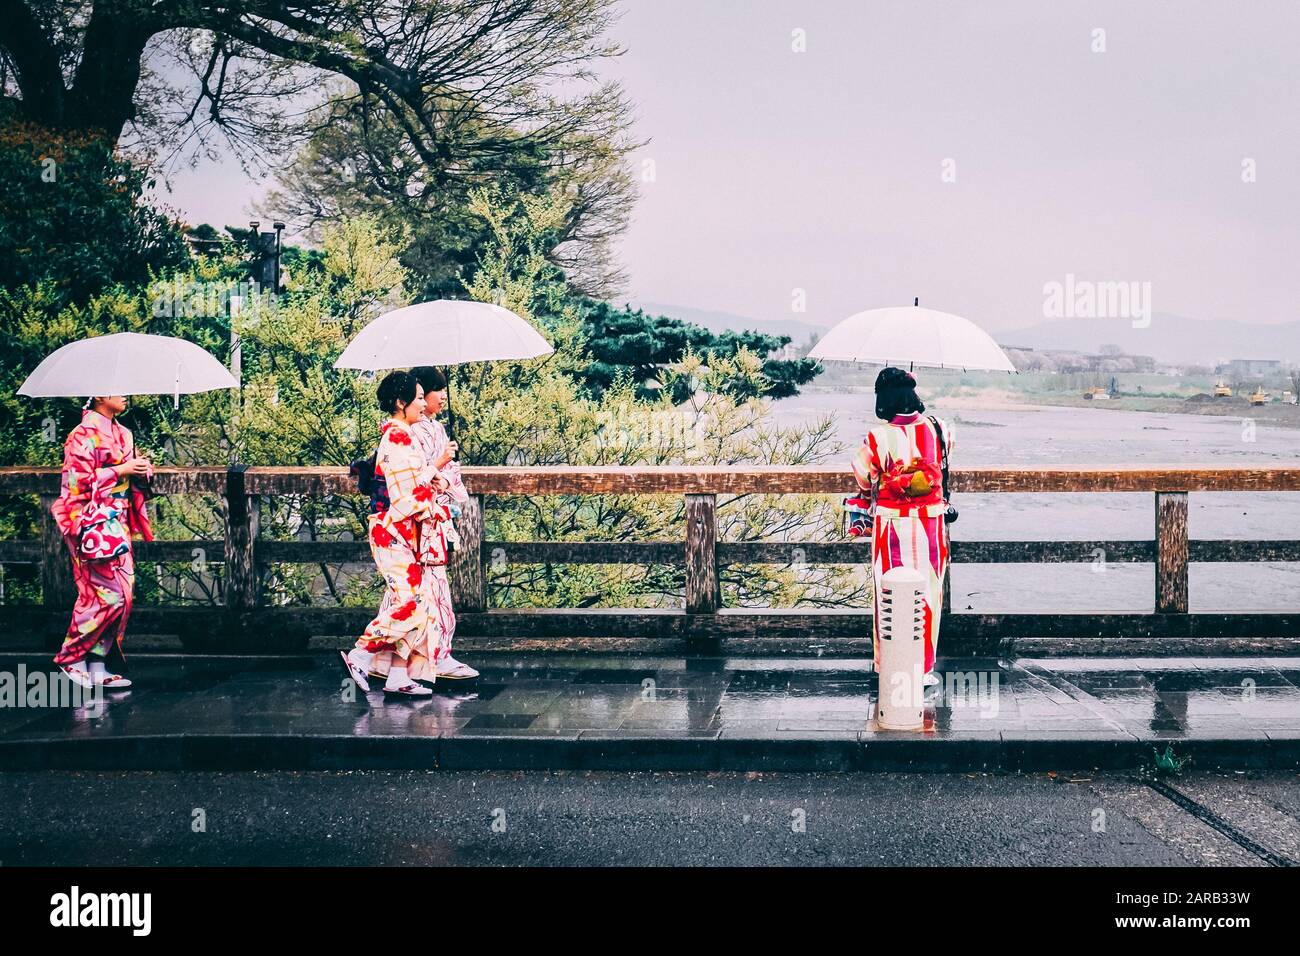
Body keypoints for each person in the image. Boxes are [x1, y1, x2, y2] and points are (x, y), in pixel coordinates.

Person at [340, 371, 454, 697]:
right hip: (396, 533)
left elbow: (416, 482)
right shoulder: (398, 438)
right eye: (417, 398)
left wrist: (434, 475)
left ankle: (398, 676)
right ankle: (362, 653)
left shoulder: (400, 435)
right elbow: (406, 497)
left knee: (416, 604)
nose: (423, 403)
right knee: (410, 604)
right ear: (401, 402)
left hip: (403, 533)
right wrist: (437, 469)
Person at [850, 367, 954, 687]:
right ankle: (922, 669)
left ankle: (888, 665)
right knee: (929, 594)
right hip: (931, 523)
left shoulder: (876, 437)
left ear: (882, 399)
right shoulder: (941, 429)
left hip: (891, 526)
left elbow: (863, 477)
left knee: (888, 593)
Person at [51, 396, 154, 689]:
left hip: (117, 521)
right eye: (117, 388)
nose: (125, 395)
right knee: (101, 594)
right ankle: (71, 657)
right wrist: (120, 470)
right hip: (91, 521)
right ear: (98, 395)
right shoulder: (81, 436)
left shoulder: (124, 433)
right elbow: (77, 483)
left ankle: (97, 662)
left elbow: (130, 480)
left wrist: (141, 470)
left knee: (124, 593)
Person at [407, 366, 478, 680]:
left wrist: (444, 478)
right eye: (433, 392)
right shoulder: (407, 431)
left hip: (434, 519)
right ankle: (431, 657)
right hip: (419, 522)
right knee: (423, 591)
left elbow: (448, 477)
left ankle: (413, 659)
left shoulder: (435, 428)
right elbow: (414, 477)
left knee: (427, 591)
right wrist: (439, 470)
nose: (440, 397)